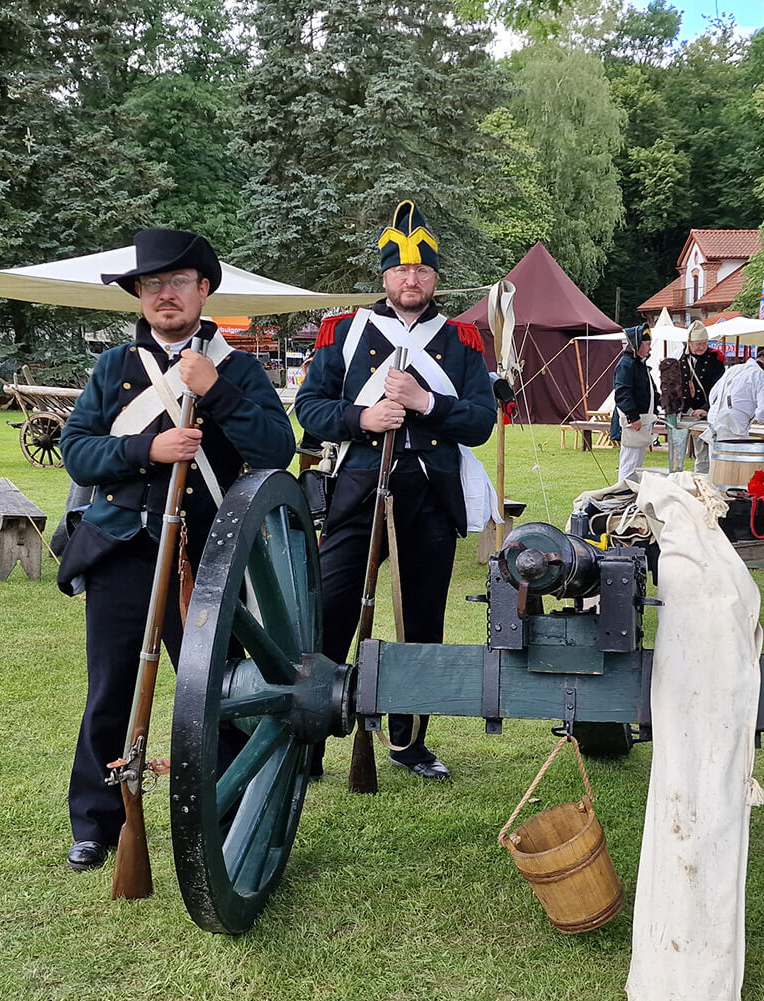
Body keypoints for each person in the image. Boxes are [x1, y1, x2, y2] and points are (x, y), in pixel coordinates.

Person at [56, 228, 295, 871]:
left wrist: (216, 390)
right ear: (138, 295)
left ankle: (225, 805)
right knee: (111, 688)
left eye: (179, 283)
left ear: (204, 290)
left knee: (216, 687)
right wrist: (143, 450)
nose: (166, 295)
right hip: (124, 547)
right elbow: (77, 449)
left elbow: (277, 451)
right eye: (153, 285)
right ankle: (98, 818)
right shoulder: (114, 367)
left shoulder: (237, 367)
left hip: (208, 556)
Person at [296, 201, 498, 781]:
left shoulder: (461, 340)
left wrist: (424, 403)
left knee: (421, 618)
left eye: (424, 272)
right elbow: (310, 409)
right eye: (401, 271)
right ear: (385, 276)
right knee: (331, 609)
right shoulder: (346, 331)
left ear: (435, 277)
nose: (412, 280)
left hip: (429, 491)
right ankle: (313, 735)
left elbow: (479, 422)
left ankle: (408, 740)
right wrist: (364, 419)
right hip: (359, 483)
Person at [660, 322, 723, 472]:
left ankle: (703, 482)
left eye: (704, 343)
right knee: (676, 454)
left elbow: (720, 390)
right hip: (682, 411)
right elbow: (669, 386)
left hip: (705, 413)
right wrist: (671, 409)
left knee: (704, 454)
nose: (701, 347)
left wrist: (706, 409)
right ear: (689, 343)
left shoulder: (716, 361)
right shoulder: (677, 357)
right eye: (697, 344)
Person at [706, 348, 764, 444]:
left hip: (714, 420)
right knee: (733, 458)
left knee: (715, 458)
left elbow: (713, 395)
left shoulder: (733, 369)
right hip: (734, 425)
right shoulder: (763, 377)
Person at [610, 325, 654, 482]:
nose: (650, 348)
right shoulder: (626, 364)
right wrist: (633, 416)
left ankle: (630, 494)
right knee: (629, 464)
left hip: (640, 421)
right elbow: (622, 393)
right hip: (632, 423)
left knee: (636, 464)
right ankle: (623, 494)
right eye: (647, 344)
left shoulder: (638, 364)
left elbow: (649, 391)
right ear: (638, 344)